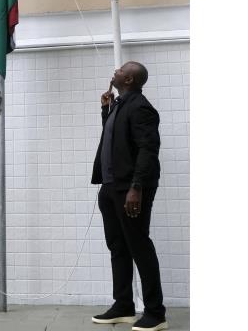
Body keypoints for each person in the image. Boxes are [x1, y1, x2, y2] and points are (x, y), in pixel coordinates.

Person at [90, 62, 168, 331]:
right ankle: (123, 305)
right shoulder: (119, 105)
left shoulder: (141, 107)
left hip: (130, 190)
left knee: (139, 246)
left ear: (131, 79)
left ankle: (156, 313)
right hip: (111, 188)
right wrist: (105, 110)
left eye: (121, 70)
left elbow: (149, 149)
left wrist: (136, 188)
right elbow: (115, 140)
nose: (116, 71)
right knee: (118, 247)